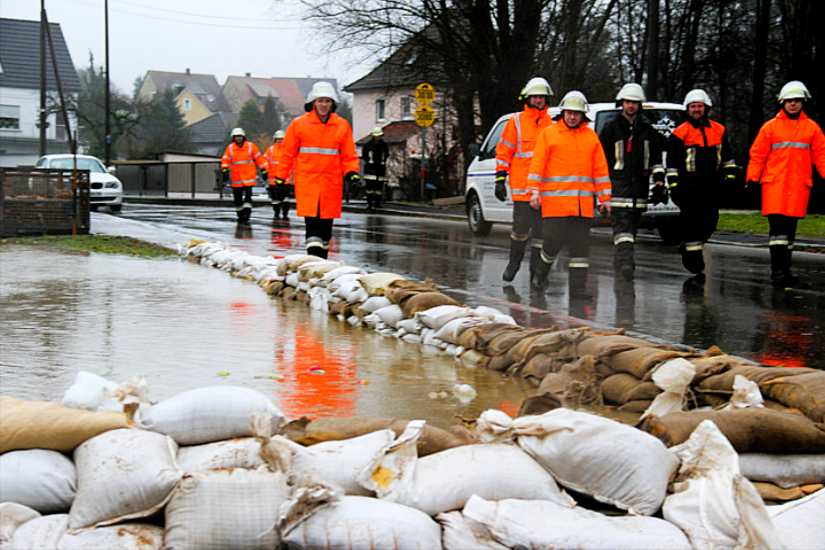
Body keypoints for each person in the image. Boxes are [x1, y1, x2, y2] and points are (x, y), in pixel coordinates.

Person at [527, 90, 612, 297]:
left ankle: (578, 289)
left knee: (580, 250)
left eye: (577, 113)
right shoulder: (550, 134)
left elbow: (600, 170)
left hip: (582, 206)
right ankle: (541, 273)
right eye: (569, 113)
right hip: (556, 205)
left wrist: (605, 198)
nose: (572, 117)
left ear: (583, 115)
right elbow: (537, 165)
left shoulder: (590, 137)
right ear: (562, 112)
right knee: (552, 243)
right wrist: (533, 191)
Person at [746, 80, 825, 288]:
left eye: (797, 101)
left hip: (798, 187)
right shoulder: (770, 127)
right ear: (783, 102)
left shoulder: (812, 128)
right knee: (777, 232)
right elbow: (757, 155)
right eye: (790, 101)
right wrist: (752, 178)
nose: (793, 104)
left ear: (803, 103)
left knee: (789, 233)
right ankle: (778, 272)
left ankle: (784, 271)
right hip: (775, 186)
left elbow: (821, 156)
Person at [273, 81, 360, 259]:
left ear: (332, 104)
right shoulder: (299, 125)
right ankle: (313, 261)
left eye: (327, 101)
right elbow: (286, 154)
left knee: (326, 228)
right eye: (320, 101)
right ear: (313, 102)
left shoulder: (342, 126)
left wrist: (352, 175)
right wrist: (280, 180)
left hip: (330, 183)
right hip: (308, 183)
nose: (323, 105)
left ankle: (322, 261)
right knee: (312, 225)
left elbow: (348, 154)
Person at [599, 83, 665, 281]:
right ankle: (627, 263)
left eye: (634, 103)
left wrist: (660, 181)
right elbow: (601, 160)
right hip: (618, 186)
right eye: (628, 102)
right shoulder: (611, 129)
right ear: (622, 103)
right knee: (622, 229)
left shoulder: (648, 130)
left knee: (630, 231)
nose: (631, 106)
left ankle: (620, 264)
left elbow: (655, 159)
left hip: (639, 189)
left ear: (639, 105)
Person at [666, 89, 736, 276]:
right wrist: (674, 187)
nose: (696, 110)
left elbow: (728, 158)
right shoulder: (680, 134)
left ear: (706, 108)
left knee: (710, 222)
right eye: (693, 107)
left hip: (712, 185)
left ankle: (687, 248)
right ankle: (694, 262)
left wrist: (730, 178)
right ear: (687, 110)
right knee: (693, 225)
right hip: (689, 186)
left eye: (699, 106)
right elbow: (672, 164)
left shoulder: (719, 130)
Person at [495, 77, 554, 283]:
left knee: (541, 233)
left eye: (541, 97)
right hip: (522, 188)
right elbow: (504, 151)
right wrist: (500, 178)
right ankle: (514, 262)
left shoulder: (551, 124)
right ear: (527, 98)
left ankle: (536, 272)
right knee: (520, 229)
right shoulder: (516, 122)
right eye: (535, 96)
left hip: (544, 190)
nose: (538, 100)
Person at [221, 127, 267, 224]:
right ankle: (240, 214)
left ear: (243, 137)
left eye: (240, 136)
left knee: (247, 197)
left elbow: (259, 158)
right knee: (237, 199)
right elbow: (225, 159)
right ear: (233, 138)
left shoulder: (251, 147)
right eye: (236, 137)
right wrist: (224, 170)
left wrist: (264, 170)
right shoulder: (230, 148)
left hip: (248, 177)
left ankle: (247, 213)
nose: (238, 138)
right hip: (236, 177)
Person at [265, 129, 291, 219]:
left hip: (285, 179)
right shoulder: (270, 150)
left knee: (285, 199)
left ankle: (285, 213)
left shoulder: (288, 150)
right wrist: (265, 171)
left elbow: (293, 163)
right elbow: (265, 162)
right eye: (278, 139)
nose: (280, 140)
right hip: (273, 179)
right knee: (275, 199)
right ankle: (276, 212)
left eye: (281, 139)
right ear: (275, 140)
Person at [362, 127, 389, 210]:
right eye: (376, 136)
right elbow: (364, 156)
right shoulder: (368, 145)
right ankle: (369, 203)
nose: (378, 137)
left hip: (380, 170)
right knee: (369, 188)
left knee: (379, 189)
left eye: (379, 136)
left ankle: (377, 203)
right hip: (370, 169)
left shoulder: (384, 145)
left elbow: (387, 155)